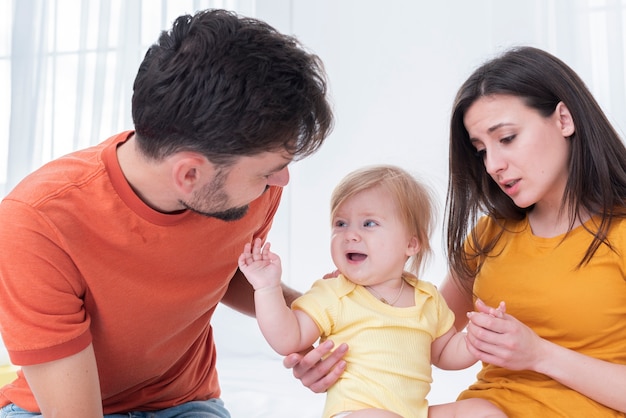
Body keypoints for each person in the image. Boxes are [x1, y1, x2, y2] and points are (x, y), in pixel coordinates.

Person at [0, 8, 333, 417]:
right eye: (268, 170)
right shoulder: (37, 223)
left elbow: (226, 270)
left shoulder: (245, 190)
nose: (281, 181)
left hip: (183, 402)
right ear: (189, 174)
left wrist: (321, 325)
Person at [285, 46, 626, 417]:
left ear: (563, 119)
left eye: (507, 138)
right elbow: (420, 332)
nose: (494, 165)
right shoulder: (492, 233)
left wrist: (540, 355)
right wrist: (342, 336)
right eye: (481, 150)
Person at [239, 165, 506, 418]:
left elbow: (446, 352)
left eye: (368, 224)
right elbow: (288, 338)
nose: (350, 235)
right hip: (356, 412)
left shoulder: (427, 297)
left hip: (413, 413)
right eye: (341, 224)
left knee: (481, 410)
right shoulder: (334, 294)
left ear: (411, 244)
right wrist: (267, 288)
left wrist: (477, 340)